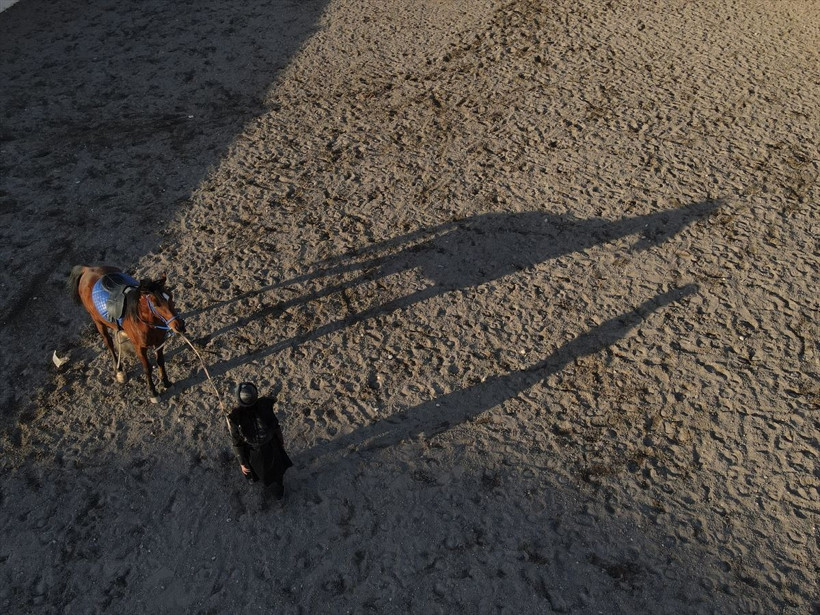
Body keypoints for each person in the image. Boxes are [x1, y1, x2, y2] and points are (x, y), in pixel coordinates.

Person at [226, 382, 293, 501]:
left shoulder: (235, 417)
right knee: (276, 471)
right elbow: (275, 425)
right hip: (272, 445)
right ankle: (278, 493)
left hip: (254, 452)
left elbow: (237, 443)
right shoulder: (265, 404)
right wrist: (281, 442)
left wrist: (242, 462)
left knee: (255, 470)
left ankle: (260, 483)